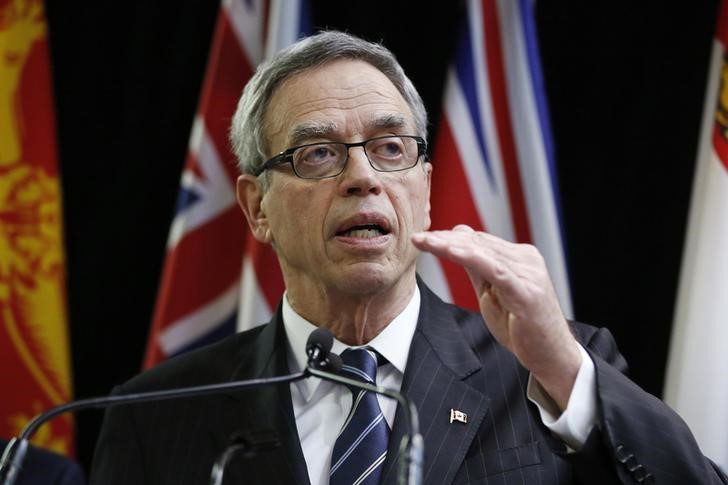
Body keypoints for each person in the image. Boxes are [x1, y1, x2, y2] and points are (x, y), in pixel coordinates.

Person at [90, 31, 727, 484]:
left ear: (423, 188)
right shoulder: (155, 415)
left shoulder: (546, 371)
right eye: (317, 154)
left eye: (391, 148)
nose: (363, 177)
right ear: (257, 207)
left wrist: (562, 365)